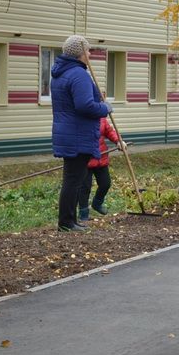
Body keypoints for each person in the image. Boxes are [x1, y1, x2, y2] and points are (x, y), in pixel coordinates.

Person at [50, 34, 113, 232]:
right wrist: (105, 108)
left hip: (68, 132)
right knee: (73, 180)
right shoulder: (78, 74)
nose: (89, 53)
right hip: (77, 133)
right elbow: (84, 105)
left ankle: (69, 220)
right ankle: (66, 222)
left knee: (72, 179)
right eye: (87, 50)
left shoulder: (62, 73)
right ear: (79, 53)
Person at [78, 116, 125, 221]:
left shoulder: (101, 118)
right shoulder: (81, 118)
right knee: (85, 187)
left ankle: (97, 203)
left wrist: (118, 141)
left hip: (101, 158)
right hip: (86, 160)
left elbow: (109, 131)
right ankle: (83, 213)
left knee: (105, 183)